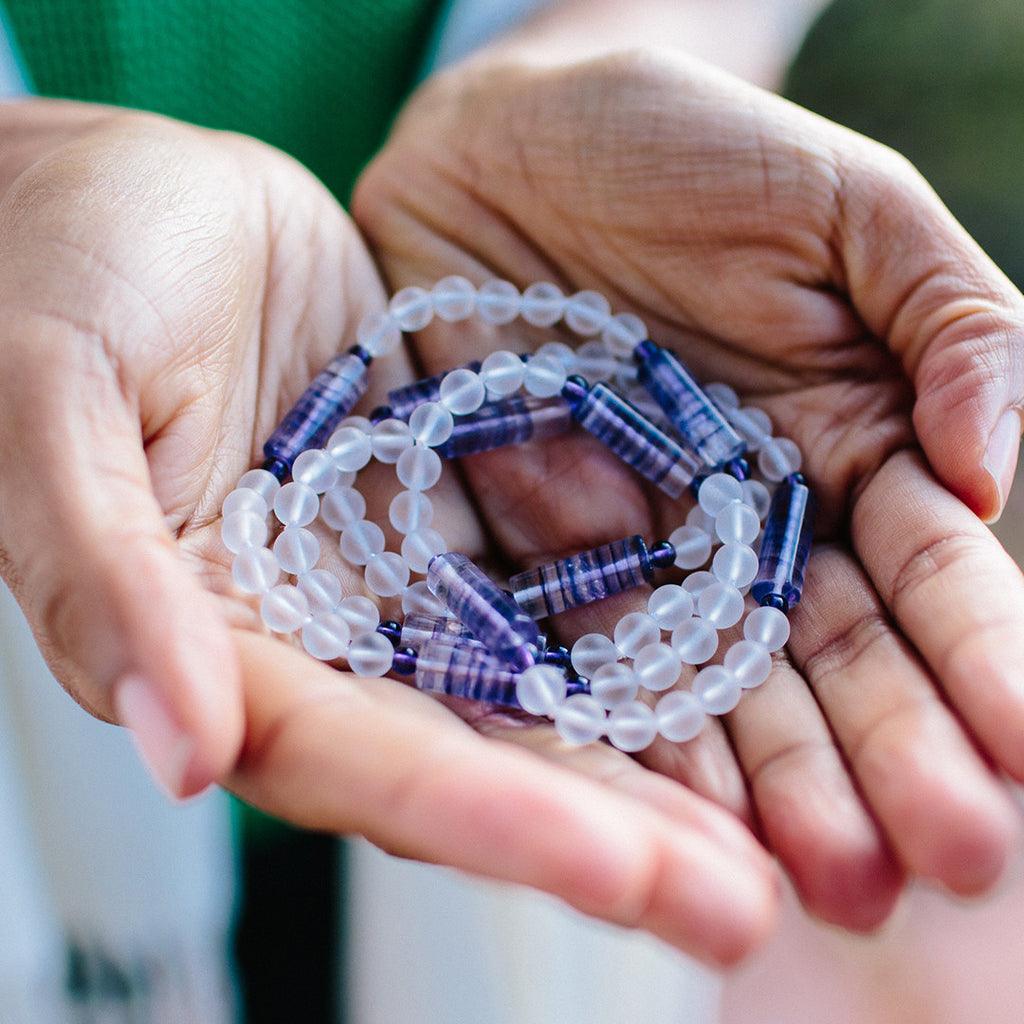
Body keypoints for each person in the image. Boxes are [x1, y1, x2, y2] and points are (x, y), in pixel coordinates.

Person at [0, 0, 1022, 978]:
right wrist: (18, 174)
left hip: (336, 697)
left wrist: (607, 30)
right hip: (174, 553)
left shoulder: (700, 481)